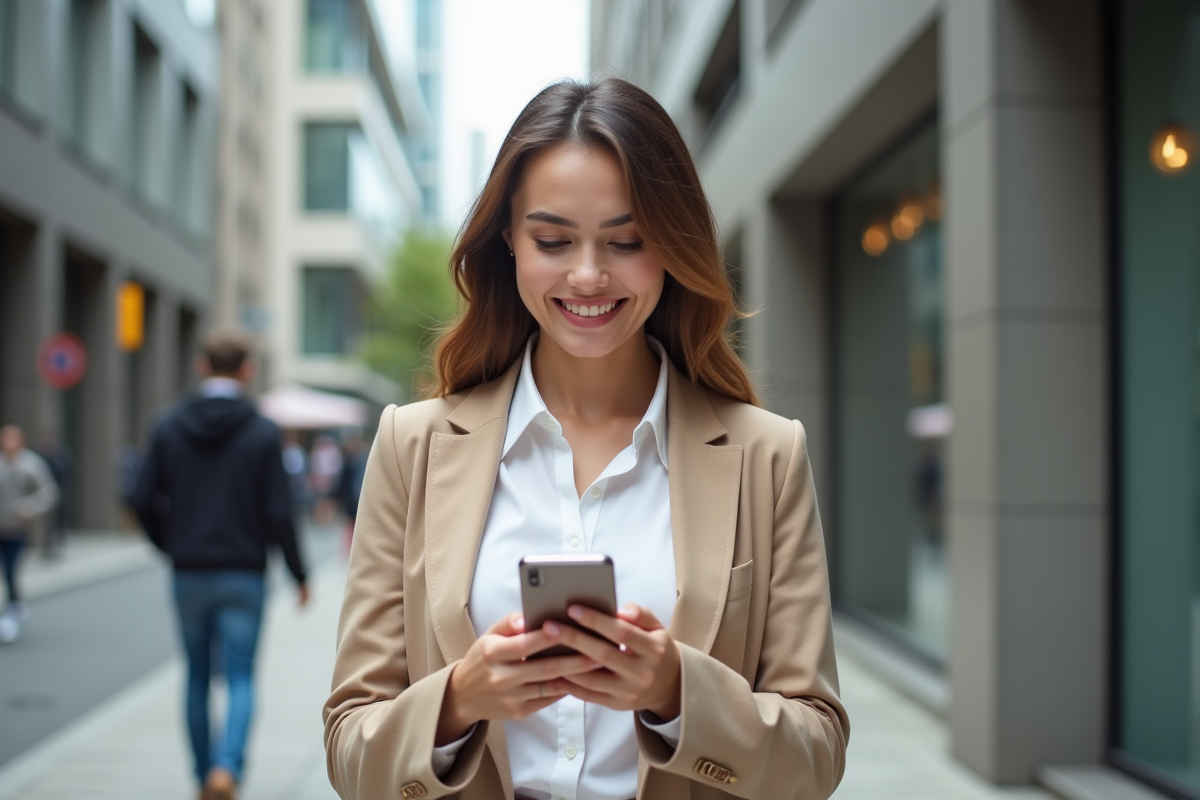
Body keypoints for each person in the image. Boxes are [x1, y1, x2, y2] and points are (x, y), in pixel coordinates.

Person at [323, 78, 849, 800]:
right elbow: (351, 751)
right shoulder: (412, 446)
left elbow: (816, 756)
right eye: (552, 239)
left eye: (627, 241)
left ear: (673, 244)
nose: (589, 274)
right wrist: (458, 700)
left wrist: (676, 694)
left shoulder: (766, 456)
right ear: (507, 239)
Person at [132, 329, 309, 800]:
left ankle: (201, 773)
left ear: (201, 366)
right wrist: (299, 573)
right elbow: (279, 510)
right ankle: (227, 768)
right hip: (244, 572)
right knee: (240, 675)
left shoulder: (168, 425)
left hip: (189, 571)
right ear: (248, 370)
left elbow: (140, 496)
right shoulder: (263, 430)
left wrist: (171, 544)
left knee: (194, 674)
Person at [0, 424, 58, 644]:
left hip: (16, 529)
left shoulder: (30, 465)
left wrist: (30, 509)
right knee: (5, 571)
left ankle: (12, 611)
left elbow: (49, 492)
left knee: (11, 571)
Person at [37, 431, 72, 558]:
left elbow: (67, 472)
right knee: (47, 522)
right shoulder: (41, 456)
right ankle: (46, 546)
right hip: (45, 494)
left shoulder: (62, 455)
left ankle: (58, 545)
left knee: (59, 521)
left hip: (60, 493)